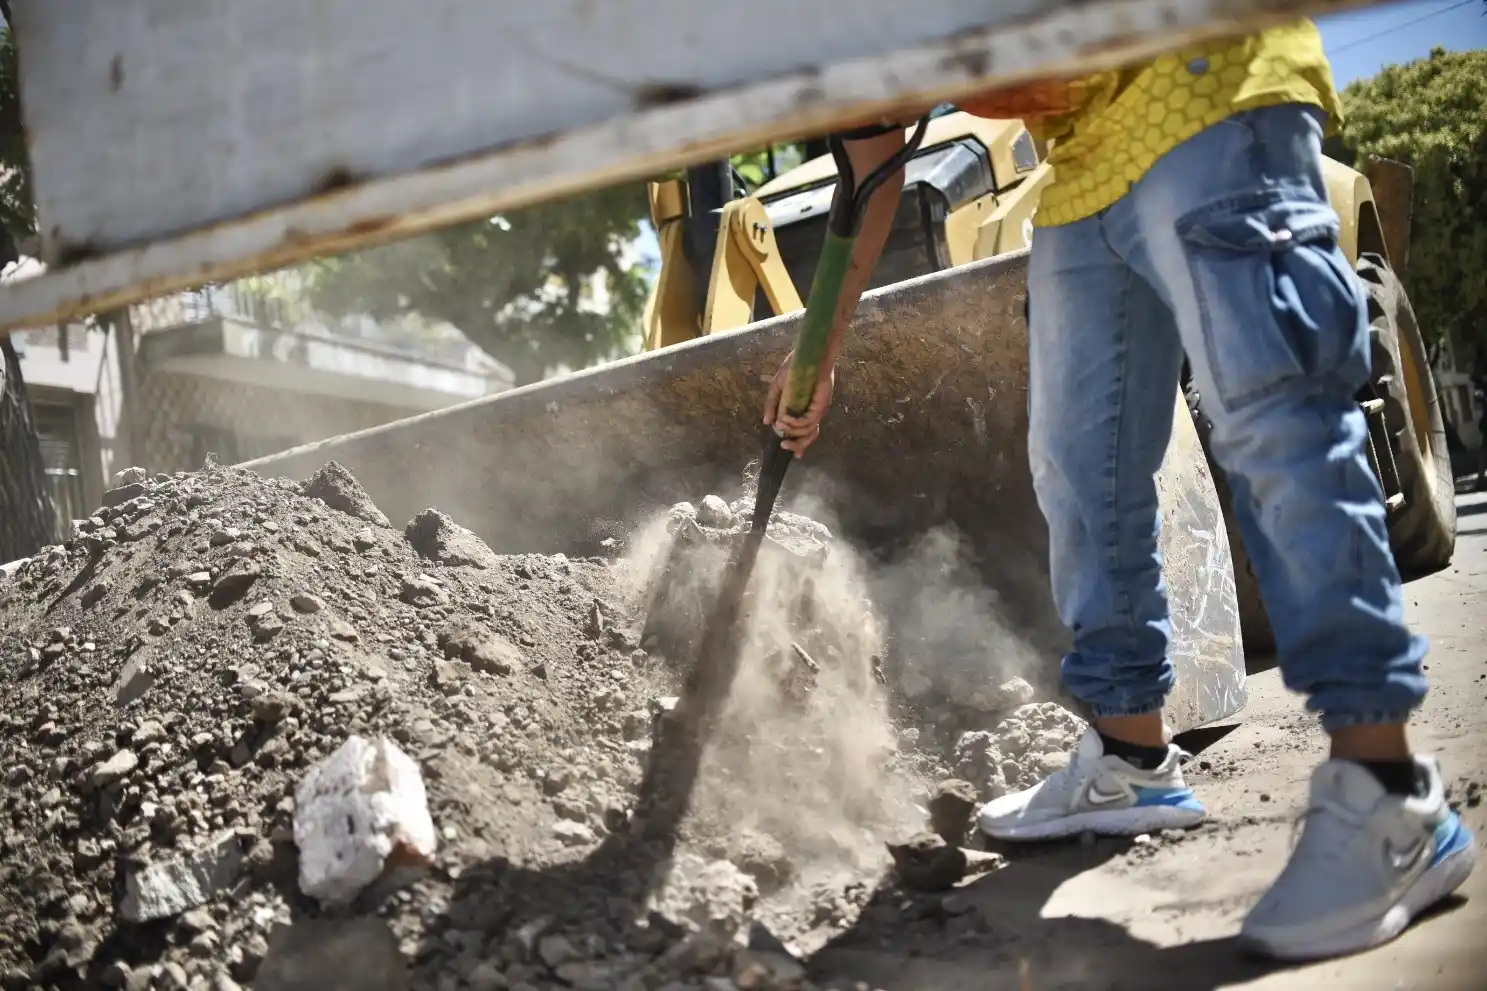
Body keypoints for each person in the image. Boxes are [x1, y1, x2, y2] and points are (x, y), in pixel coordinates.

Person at [762, 18, 1476, 963]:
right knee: (1077, 463)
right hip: (1086, 166)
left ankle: (1386, 795)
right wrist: (827, 346)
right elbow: (870, 156)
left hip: (1205, 82)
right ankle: (1131, 756)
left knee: (1272, 413)